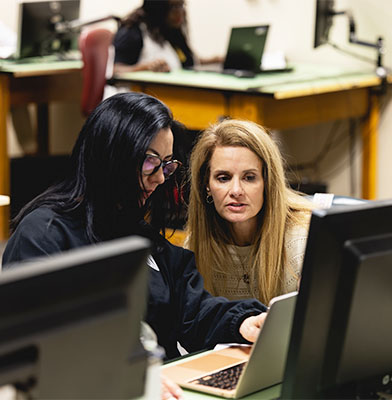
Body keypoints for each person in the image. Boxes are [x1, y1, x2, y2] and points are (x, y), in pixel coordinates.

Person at [2, 93, 266, 399]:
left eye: (167, 165)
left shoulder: (135, 232)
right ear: (112, 156)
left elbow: (193, 310)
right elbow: (35, 345)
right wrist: (129, 375)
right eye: (150, 162)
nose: (159, 179)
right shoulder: (44, 234)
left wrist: (245, 321)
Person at [186, 119, 315, 305]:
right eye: (223, 178)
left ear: (267, 183)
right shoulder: (196, 246)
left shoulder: (304, 241)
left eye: (249, 177)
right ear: (206, 185)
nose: (236, 190)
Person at [113, 0, 221, 73]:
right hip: (136, 102)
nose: (180, 12)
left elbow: (187, 61)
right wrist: (144, 68)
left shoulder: (170, 31)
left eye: (181, 5)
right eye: (173, 6)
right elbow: (115, 71)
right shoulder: (133, 31)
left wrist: (217, 59)